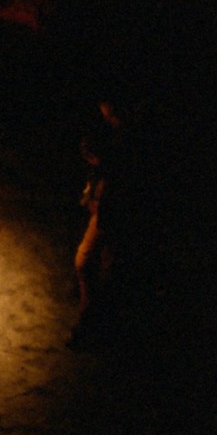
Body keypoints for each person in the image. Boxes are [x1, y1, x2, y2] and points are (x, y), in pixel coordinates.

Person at [72, 97, 143, 349]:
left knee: (95, 264)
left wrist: (100, 162)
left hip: (116, 211)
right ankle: (90, 323)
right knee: (96, 265)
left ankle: (93, 327)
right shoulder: (115, 132)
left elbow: (125, 173)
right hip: (106, 208)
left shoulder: (130, 138)